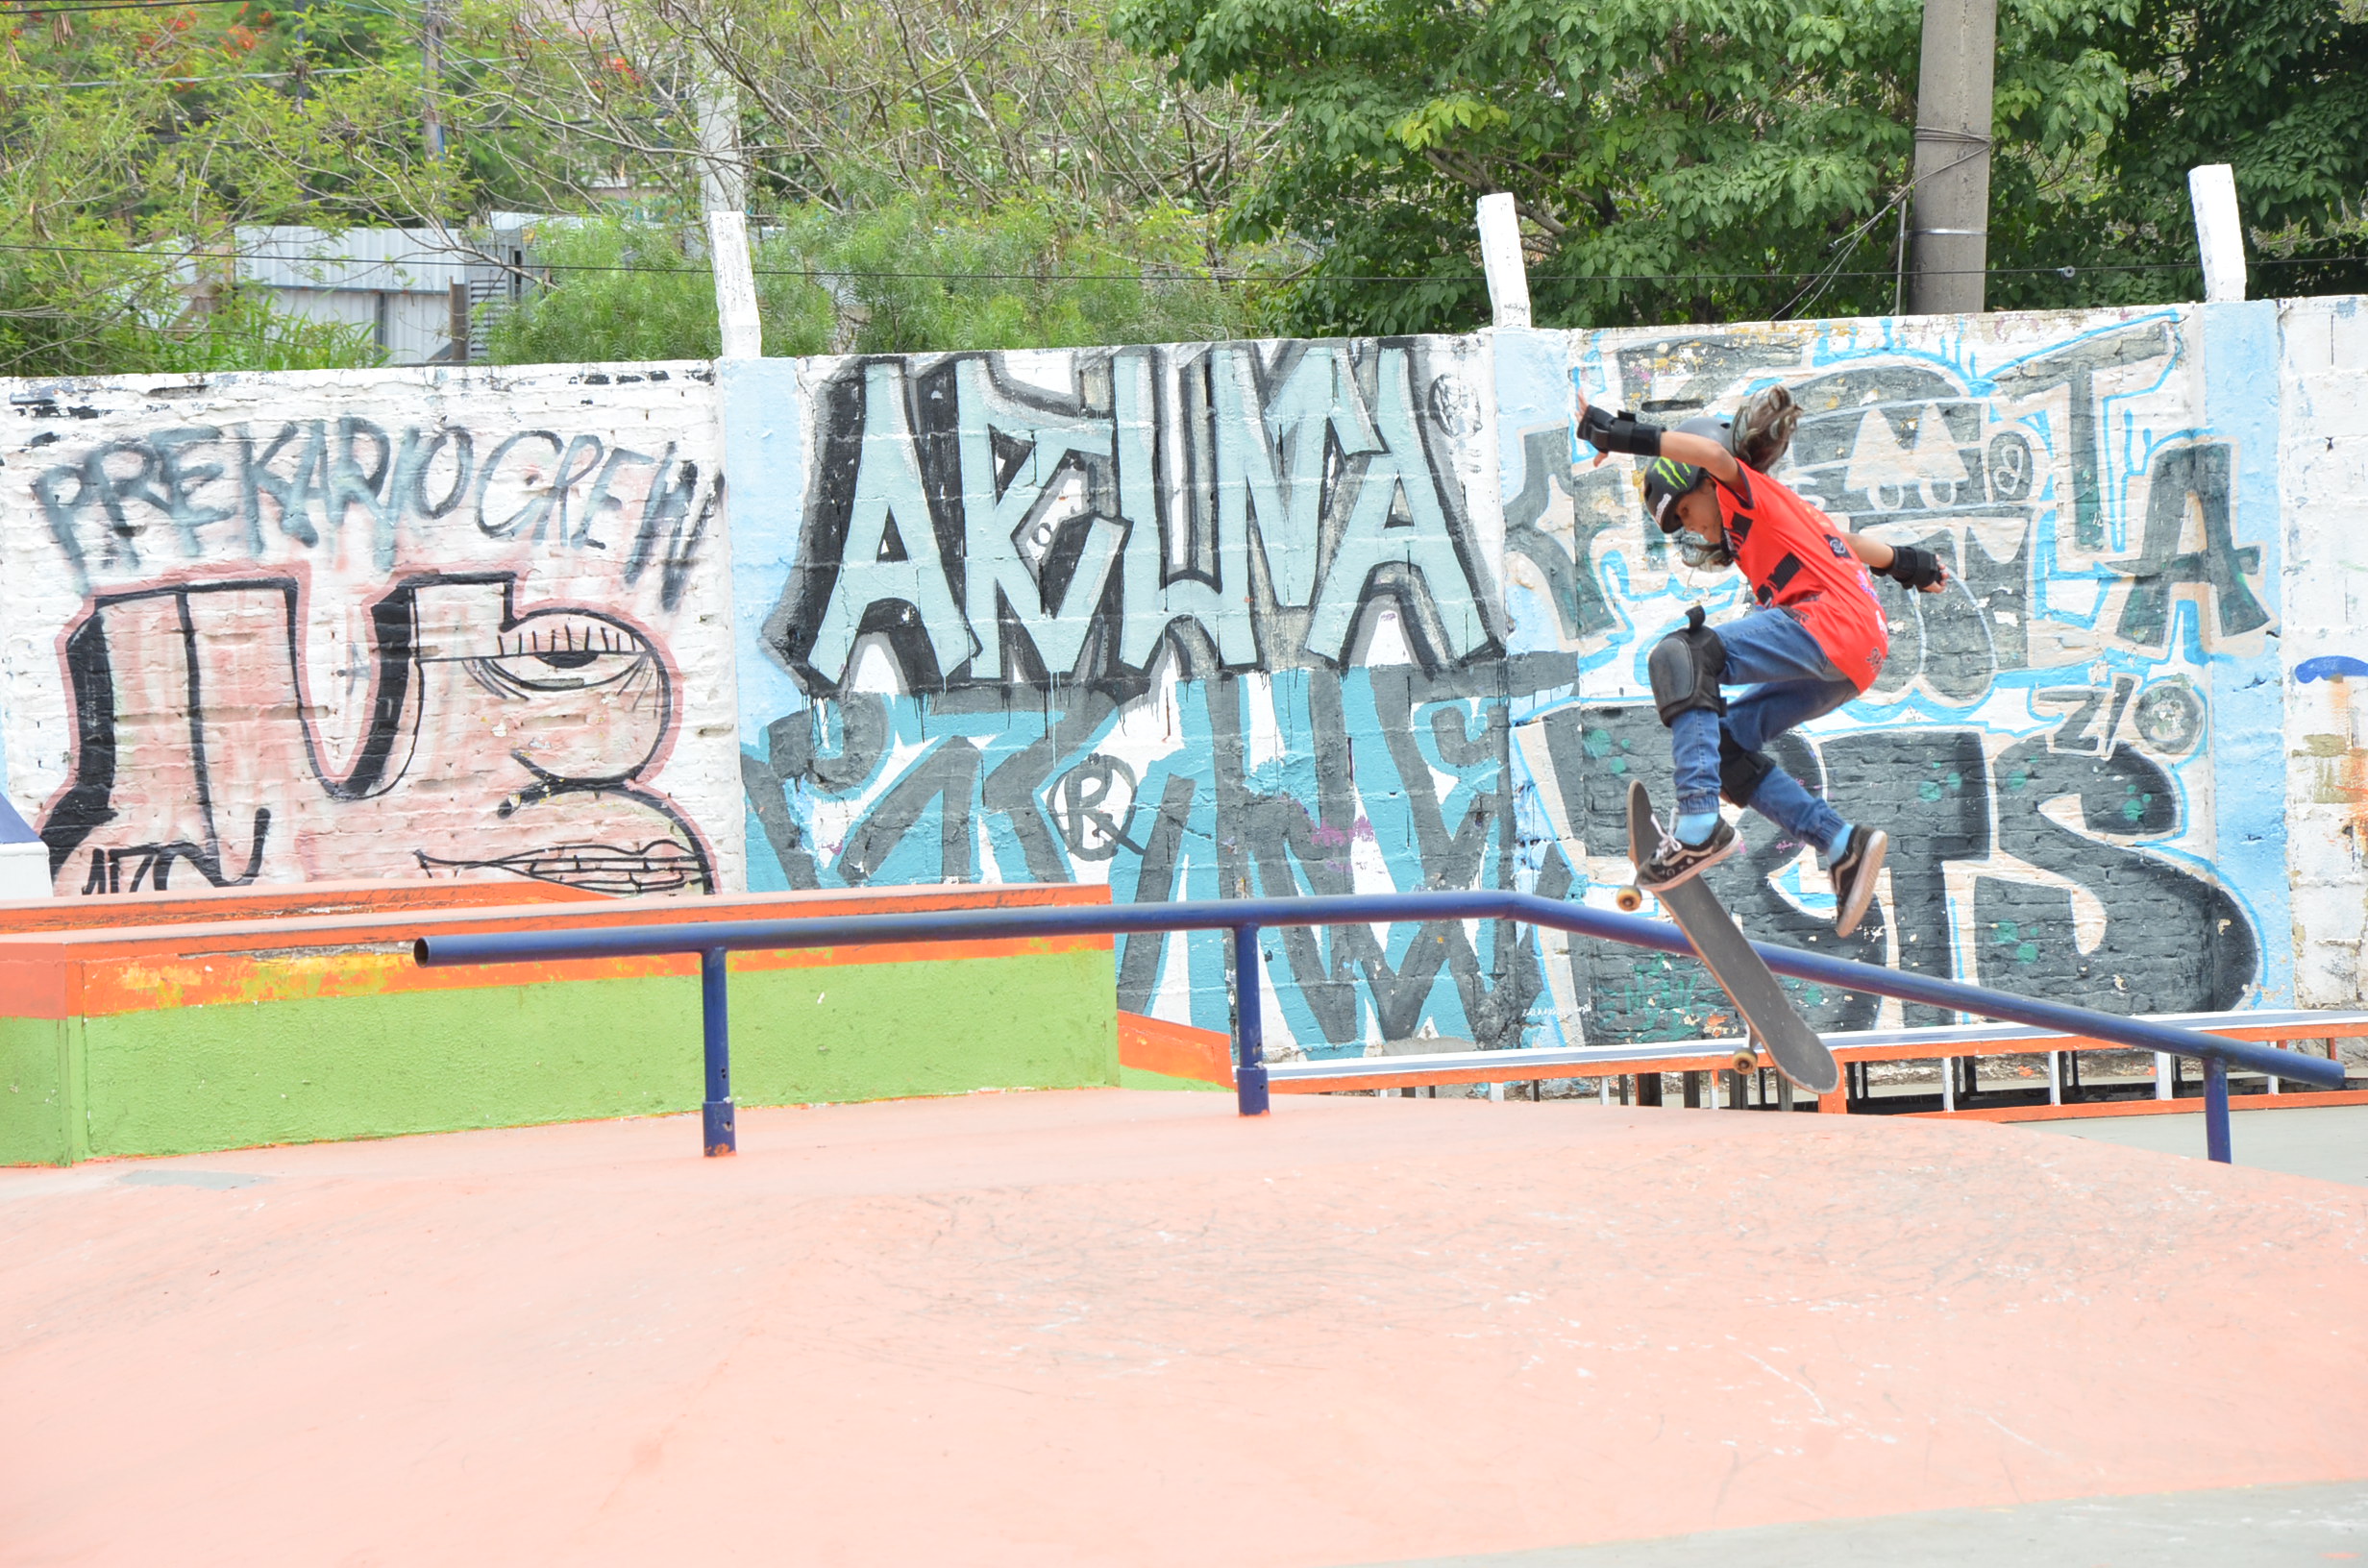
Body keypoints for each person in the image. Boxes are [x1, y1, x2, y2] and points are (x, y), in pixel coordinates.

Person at [1573, 383, 1949, 937]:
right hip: (1854, 663)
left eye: (1687, 511)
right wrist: (1911, 564)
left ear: (1703, 485)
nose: (1695, 528)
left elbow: (1713, 454)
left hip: (1827, 627)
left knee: (1684, 655)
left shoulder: (1742, 489)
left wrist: (1617, 433)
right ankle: (1842, 843)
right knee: (1725, 748)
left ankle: (1699, 824)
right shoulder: (1790, 519)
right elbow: (1850, 545)